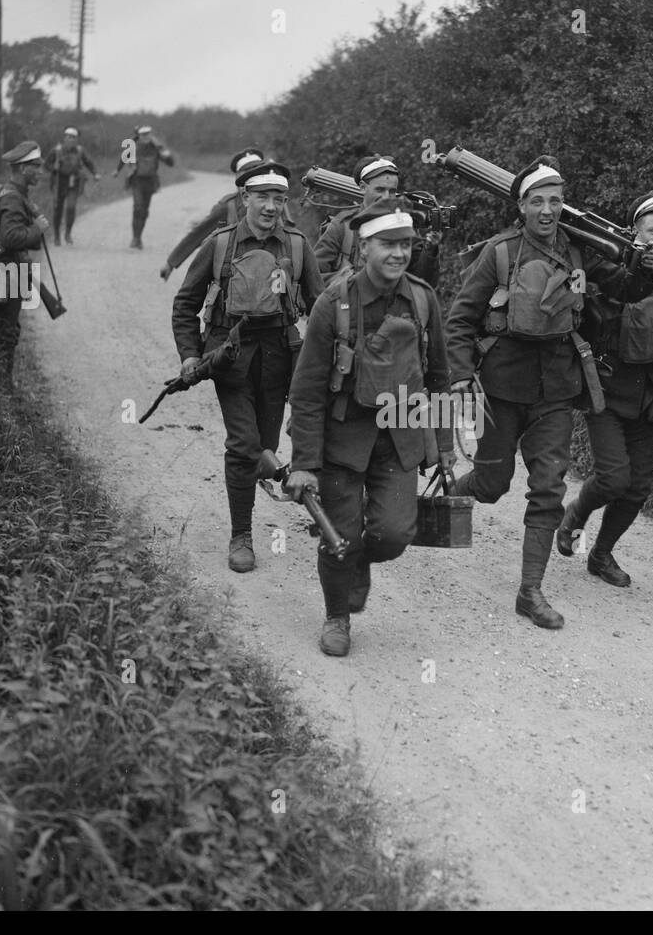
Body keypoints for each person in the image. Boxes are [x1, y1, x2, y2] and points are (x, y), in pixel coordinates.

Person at [443, 156, 613, 629]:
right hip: (501, 388)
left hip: (556, 390)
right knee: (493, 486)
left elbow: (608, 297)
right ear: (521, 206)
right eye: (537, 201)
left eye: (555, 200)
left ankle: (530, 591)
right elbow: (459, 319)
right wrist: (460, 374)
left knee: (549, 488)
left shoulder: (579, 254)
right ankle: (456, 493)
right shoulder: (498, 253)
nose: (547, 209)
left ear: (563, 205)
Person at [286, 199, 454, 656]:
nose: (399, 254)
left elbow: (438, 375)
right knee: (340, 536)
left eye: (406, 244)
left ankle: (358, 561)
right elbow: (306, 391)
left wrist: (443, 443)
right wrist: (304, 464)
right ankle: (337, 617)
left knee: (395, 533)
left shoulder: (423, 299)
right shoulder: (332, 304)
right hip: (343, 439)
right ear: (364, 248)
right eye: (388, 244)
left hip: (400, 438)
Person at [170, 160, 324, 573]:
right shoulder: (220, 244)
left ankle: (276, 478)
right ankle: (241, 536)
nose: (271, 206)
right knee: (243, 446)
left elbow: (320, 308)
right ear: (245, 199)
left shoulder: (296, 245)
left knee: (264, 451)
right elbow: (186, 303)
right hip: (230, 356)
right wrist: (189, 354)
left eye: (278, 198)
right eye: (262, 197)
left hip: (279, 357)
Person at [556, 190, 653, 585]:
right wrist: (638, 268)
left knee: (637, 489)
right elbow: (611, 295)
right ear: (634, 231)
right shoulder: (607, 264)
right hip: (606, 387)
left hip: (650, 396)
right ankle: (576, 515)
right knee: (614, 478)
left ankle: (601, 555)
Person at [313, 154, 440, 287]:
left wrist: (429, 251)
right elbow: (314, 279)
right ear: (362, 187)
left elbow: (423, 282)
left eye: (392, 191)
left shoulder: (403, 224)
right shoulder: (342, 226)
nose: (386, 197)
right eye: (380, 189)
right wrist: (350, 281)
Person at [0, 140, 50, 384]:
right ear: (23, 169)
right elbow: (10, 237)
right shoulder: (12, 198)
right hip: (6, 271)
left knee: (6, 329)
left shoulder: (16, 194)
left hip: (8, 270)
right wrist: (37, 228)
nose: (41, 171)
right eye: (36, 166)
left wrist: (33, 233)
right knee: (5, 332)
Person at [160, 146, 263, 280]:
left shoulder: (276, 203)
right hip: (236, 276)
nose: (253, 176)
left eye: (257, 171)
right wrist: (171, 262)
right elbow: (199, 233)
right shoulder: (228, 206)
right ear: (238, 177)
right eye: (247, 172)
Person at [113, 125, 174, 248]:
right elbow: (123, 159)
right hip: (137, 181)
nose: (146, 136)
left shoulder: (156, 148)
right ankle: (135, 238)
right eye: (143, 134)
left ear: (151, 134)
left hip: (151, 182)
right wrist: (117, 170)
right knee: (138, 208)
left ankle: (139, 238)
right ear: (139, 136)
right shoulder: (133, 147)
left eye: (148, 134)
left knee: (144, 211)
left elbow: (170, 164)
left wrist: (168, 156)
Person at [44, 126, 99, 245]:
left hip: (74, 183)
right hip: (59, 183)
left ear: (77, 139)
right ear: (64, 138)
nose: (70, 139)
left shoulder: (80, 150)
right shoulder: (56, 150)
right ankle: (57, 236)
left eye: (73, 137)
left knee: (71, 207)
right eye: (68, 137)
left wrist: (95, 173)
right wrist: (54, 168)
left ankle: (68, 233)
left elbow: (88, 162)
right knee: (57, 209)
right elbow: (46, 164)